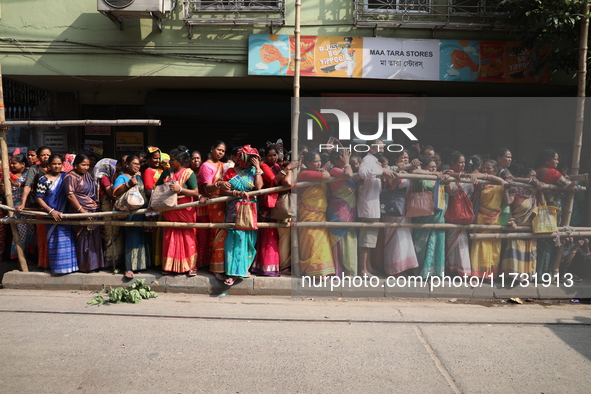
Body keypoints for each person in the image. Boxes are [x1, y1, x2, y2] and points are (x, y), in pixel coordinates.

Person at [157, 146, 205, 276]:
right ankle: (169, 266)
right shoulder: (166, 173)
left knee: (187, 237)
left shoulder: (189, 174)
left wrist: (180, 189)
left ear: (179, 161)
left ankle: (190, 266)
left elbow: (195, 193)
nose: (169, 162)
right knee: (169, 236)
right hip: (170, 209)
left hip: (185, 210)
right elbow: (158, 188)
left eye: (172, 160)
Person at [220, 146, 263, 284]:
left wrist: (257, 168)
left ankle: (243, 268)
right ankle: (232, 273)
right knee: (233, 239)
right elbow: (224, 190)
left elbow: (259, 187)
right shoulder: (231, 171)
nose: (246, 162)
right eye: (245, 158)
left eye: (250, 159)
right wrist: (235, 193)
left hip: (250, 209)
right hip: (234, 209)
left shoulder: (253, 171)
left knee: (248, 239)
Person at [251, 144, 292, 277]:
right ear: (265, 157)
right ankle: (265, 267)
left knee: (274, 234)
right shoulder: (264, 166)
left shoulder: (277, 167)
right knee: (268, 234)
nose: (273, 158)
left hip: (275, 204)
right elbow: (274, 180)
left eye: (275, 155)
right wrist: (288, 168)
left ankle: (274, 266)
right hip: (266, 205)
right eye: (270, 155)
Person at [35, 154, 78, 274]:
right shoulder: (43, 180)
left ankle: (70, 268)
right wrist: (51, 211)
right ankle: (58, 268)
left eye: (59, 164)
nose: (57, 166)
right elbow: (39, 198)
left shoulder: (66, 177)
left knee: (67, 240)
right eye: (54, 164)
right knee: (55, 241)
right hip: (52, 215)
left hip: (65, 215)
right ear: (49, 165)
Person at [535, 149, 576, 276]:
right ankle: (544, 274)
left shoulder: (537, 172)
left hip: (539, 209)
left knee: (541, 243)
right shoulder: (552, 172)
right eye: (555, 159)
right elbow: (570, 186)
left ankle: (538, 273)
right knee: (550, 242)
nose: (557, 162)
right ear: (547, 161)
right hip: (552, 211)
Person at [357, 139, 394, 275]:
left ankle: (368, 268)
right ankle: (363, 270)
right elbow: (363, 172)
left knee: (370, 240)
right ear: (371, 148)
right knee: (366, 240)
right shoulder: (368, 159)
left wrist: (382, 169)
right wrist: (382, 170)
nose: (382, 150)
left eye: (383, 147)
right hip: (368, 206)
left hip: (372, 206)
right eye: (380, 147)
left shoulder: (374, 161)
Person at [64, 154, 106, 272]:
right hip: (80, 211)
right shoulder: (70, 177)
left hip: (93, 209)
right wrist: (82, 211)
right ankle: (84, 266)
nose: (86, 167)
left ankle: (95, 265)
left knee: (94, 238)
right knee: (83, 239)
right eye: (83, 165)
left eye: (87, 165)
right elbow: (70, 195)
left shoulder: (87, 175)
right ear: (76, 164)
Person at [297, 151, 335, 277]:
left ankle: (324, 271)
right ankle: (312, 271)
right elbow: (326, 176)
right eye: (315, 162)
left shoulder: (316, 173)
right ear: (308, 163)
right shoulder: (304, 173)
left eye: (319, 161)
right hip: (308, 214)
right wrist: (324, 170)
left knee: (322, 242)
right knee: (311, 241)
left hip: (321, 214)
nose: (319, 164)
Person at [381, 151, 419, 276]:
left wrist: (415, 167)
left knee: (405, 238)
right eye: (402, 158)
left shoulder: (409, 172)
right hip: (394, 210)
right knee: (395, 240)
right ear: (396, 159)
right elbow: (391, 185)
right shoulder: (391, 171)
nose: (405, 160)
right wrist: (398, 173)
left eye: (407, 158)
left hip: (406, 209)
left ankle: (407, 267)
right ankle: (395, 269)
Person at [501, 167, 541, 285]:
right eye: (530, 176)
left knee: (529, 254)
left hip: (531, 229)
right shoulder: (516, 190)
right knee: (516, 253)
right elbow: (508, 203)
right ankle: (513, 278)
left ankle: (526, 278)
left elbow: (542, 204)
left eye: (535, 176)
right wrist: (505, 189)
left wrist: (540, 191)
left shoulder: (533, 192)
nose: (533, 179)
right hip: (517, 227)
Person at [113, 155, 151, 279]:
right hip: (131, 214)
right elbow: (115, 192)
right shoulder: (122, 177)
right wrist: (128, 184)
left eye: (138, 164)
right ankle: (129, 268)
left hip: (142, 212)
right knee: (132, 238)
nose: (137, 166)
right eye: (134, 163)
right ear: (127, 164)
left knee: (141, 237)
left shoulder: (140, 176)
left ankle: (141, 265)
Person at [470, 159, 509, 279]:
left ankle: (491, 275)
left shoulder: (501, 184)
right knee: (479, 246)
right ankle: (478, 275)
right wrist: (494, 178)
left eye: (489, 169)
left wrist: (503, 183)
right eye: (484, 168)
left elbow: (507, 202)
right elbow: (471, 175)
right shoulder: (481, 181)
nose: (486, 170)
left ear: (495, 171)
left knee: (494, 248)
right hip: (481, 217)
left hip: (495, 219)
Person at [410, 158, 448, 278]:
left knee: (437, 243)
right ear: (425, 168)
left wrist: (447, 181)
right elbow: (414, 172)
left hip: (438, 217)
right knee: (420, 246)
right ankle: (420, 271)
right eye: (430, 167)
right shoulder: (422, 178)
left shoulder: (440, 179)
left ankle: (434, 273)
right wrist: (430, 174)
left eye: (435, 167)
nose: (433, 169)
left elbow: (450, 191)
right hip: (423, 217)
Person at [198, 141, 231, 280]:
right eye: (218, 150)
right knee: (218, 234)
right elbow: (207, 188)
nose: (220, 153)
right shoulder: (206, 166)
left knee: (224, 233)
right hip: (213, 203)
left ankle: (224, 267)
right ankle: (216, 268)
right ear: (212, 149)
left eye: (223, 151)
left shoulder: (223, 165)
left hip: (224, 202)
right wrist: (218, 184)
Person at [16, 146, 52, 267]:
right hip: (39, 205)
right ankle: (43, 262)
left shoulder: (57, 166)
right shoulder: (34, 169)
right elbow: (27, 186)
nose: (45, 157)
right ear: (39, 157)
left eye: (47, 154)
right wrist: (22, 203)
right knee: (41, 235)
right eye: (42, 155)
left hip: (56, 206)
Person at [326, 149, 358, 277]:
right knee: (339, 240)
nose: (346, 159)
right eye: (343, 158)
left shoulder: (345, 169)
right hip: (338, 211)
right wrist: (347, 163)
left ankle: (350, 271)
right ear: (335, 160)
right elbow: (348, 175)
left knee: (350, 239)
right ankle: (339, 271)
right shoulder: (334, 170)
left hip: (350, 209)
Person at [443, 151, 474, 277]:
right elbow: (450, 191)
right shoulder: (448, 174)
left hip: (464, 212)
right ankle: (453, 270)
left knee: (463, 242)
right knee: (453, 241)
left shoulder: (468, 176)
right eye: (460, 162)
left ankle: (463, 271)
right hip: (453, 211)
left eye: (464, 163)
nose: (462, 165)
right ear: (453, 163)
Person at [94, 157, 124, 270]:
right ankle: (110, 262)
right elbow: (111, 194)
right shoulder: (105, 178)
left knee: (116, 232)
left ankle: (116, 260)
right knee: (110, 233)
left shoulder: (112, 177)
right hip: (108, 207)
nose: (118, 168)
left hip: (111, 206)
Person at [6, 154, 35, 260]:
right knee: (20, 231)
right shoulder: (7, 175)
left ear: (22, 164)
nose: (12, 165)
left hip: (28, 206)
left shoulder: (29, 174)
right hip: (14, 207)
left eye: (14, 163)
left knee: (30, 231)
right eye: (11, 163)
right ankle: (19, 257)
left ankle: (28, 256)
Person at [191, 150, 209, 269]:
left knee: (204, 236)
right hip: (190, 207)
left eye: (198, 158)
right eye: (193, 158)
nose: (196, 160)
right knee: (192, 236)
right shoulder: (187, 173)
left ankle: (203, 263)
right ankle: (193, 264)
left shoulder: (205, 172)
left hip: (204, 208)